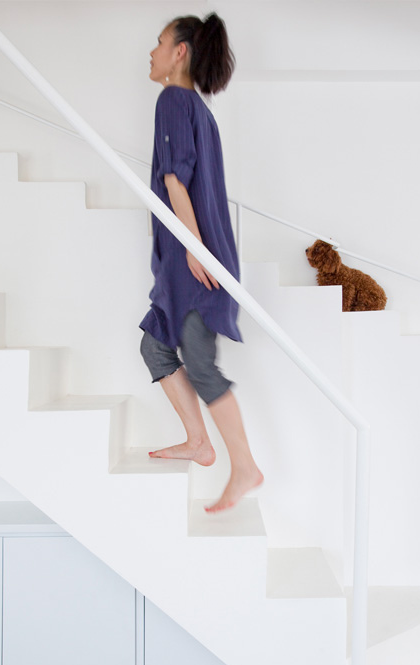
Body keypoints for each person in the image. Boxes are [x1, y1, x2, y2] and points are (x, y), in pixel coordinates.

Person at [140, 13, 263, 513]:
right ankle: (198, 441)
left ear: (180, 52)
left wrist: (192, 248)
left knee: (198, 360)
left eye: (159, 42)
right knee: (155, 346)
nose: (151, 51)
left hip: (195, 260)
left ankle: (245, 466)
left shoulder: (173, 99)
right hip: (188, 261)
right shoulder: (199, 110)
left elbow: (175, 180)